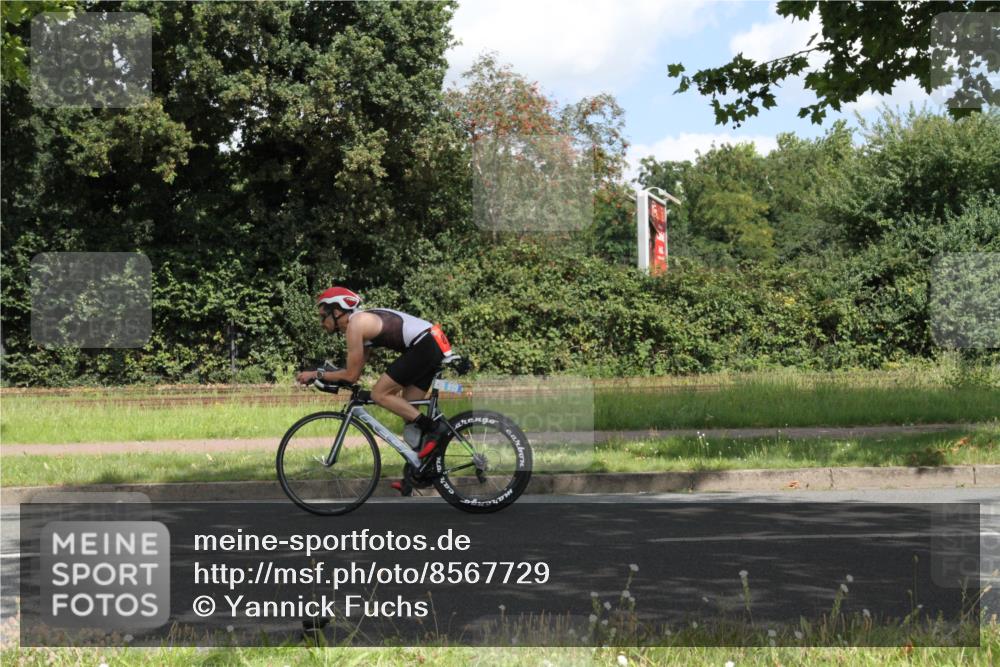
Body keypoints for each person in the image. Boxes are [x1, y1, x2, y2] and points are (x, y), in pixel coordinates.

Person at [295, 287, 451, 486]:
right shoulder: (362, 324)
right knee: (408, 411)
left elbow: (350, 375)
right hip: (430, 342)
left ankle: (436, 428)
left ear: (337, 311)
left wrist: (316, 374)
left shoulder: (355, 325)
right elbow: (355, 373)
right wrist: (331, 377)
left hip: (425, 344)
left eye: (322, 316)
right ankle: (420, 470)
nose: (321, 323)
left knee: (379, 394)